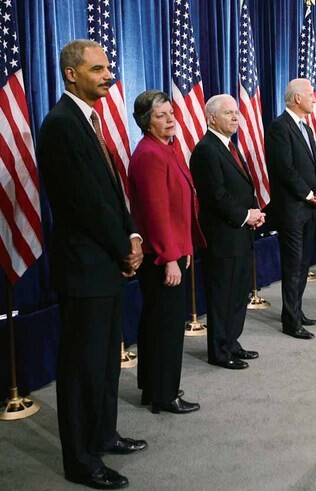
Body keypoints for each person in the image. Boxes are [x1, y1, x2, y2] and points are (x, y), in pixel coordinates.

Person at [36, 39, 146, 489]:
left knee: (104, 360)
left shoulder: (90, 123)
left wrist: (132, 236)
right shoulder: (62, 125)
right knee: (82, 368)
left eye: (108, 68)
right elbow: (84, 203)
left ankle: (104, 433)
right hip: (84, 266)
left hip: (104, 262)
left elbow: (110, 194)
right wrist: (124, 247)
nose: (109, 75)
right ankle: (81, 461)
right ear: (71, 74)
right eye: (98, 69)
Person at [128, 90, 205, 414]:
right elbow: (156, 213)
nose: (171, 119)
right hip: (160, 257)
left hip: (170, 249)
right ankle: (164, 394)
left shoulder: (167, 149)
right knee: (167, 327)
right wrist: (170, 257)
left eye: (171, 112)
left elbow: (179, 206)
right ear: (147, 122)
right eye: (161, 115)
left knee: (157, 322)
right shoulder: (149, 155)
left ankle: (152, 386)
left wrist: (183, 246)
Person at [190, 94, 265, 369]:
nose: (236, 118)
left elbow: (243, 187)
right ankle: (219, 351)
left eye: (237, 113)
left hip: (240, 233)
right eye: (229, 113)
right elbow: (216, 196)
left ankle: (232, 342)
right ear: (211, 117)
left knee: (237, 293)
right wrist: (246, 215)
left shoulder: (229, 146)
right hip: (222, 237)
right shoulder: (206, 150)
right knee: (223, 295)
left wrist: (253, 214)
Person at [265, 78, 316, 340]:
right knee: (292, 265)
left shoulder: (308, 128)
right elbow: (284, 169)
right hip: (292, 208)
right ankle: (291, 322)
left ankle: (296, 311)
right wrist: (309, 194)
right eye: (311, 94)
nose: (314, 99)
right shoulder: (280, 127)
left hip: (310, 207)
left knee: (303, 264)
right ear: (297, 98)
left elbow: (315, 165)